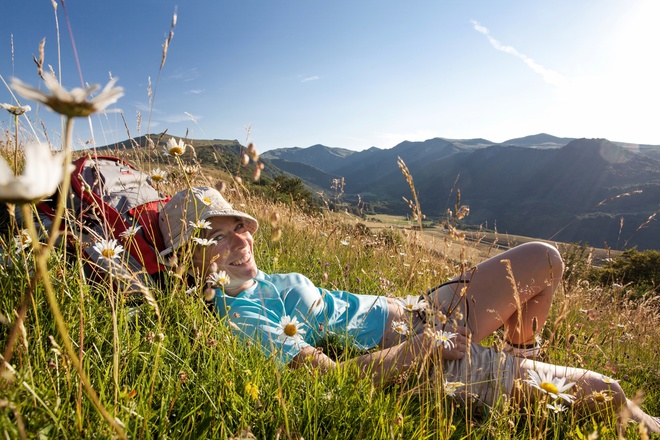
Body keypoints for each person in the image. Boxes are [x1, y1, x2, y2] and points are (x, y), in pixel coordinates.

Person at [158, 186, 660, 433]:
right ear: (189, 257)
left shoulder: (268, 279)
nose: (239, 239)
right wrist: (423, 349)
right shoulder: (239, 314)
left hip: (420, 309)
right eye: (217, 235)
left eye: (237, 226)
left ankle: (513, 367)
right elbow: (328, 381)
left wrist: (425, 321)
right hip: (416, 350)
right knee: (611, 392)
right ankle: (511, 381)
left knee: (545, 261)